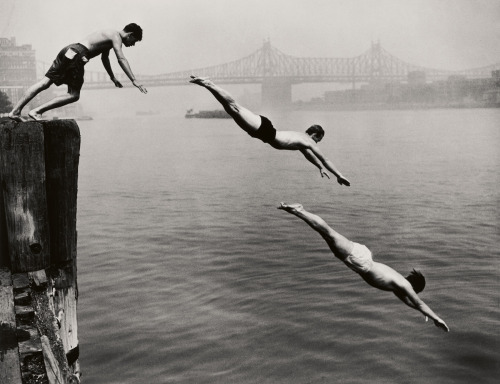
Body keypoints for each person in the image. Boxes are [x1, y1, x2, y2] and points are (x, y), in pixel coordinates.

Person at [278, 202, 449, 332]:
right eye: (415, 293)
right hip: (361, 261)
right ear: (414, 288)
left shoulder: (398, 285)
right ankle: (299, 210)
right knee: (328, 233)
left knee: (328, 235)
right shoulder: (403, 286)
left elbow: (409, 302)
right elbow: (419, 303)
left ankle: (299, 211)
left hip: (361, 259)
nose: (413, 295)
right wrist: (437, 318)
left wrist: (425, 314)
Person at [190, 76, 350, 186]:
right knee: (233, 107)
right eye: (318, 140)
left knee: (231, 109)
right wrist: (339, 175)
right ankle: (208, 83)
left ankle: (207, 84)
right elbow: (325, 158)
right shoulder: (307, 140)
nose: (316, 143)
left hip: (262, 131)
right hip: (265, 131)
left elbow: (310, 156)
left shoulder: (302, 142)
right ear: (315, 135)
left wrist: (319, 168)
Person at [9, 23, 148, 122]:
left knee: (44, 83)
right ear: (130, 35)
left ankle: (15, 111)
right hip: (78, 55)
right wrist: (134, 80)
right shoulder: (116, 37)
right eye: (134, 41)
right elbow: (121, 58)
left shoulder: (109, 34)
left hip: (69, 49)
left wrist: (112, 77)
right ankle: (36, 111)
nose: (132, 45)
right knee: (74, 95)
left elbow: (104, 58)